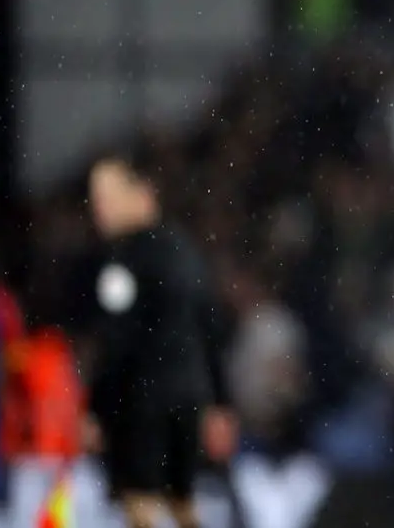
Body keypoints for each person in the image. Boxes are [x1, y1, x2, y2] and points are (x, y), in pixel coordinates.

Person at [83, 152, 238, 528]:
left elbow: (117, 340)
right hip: (190, 399)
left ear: (141, 193)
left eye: (108, 197)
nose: (99, 209)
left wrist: (95, 407)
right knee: (183, 504)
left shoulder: (123, 261)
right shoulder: (186, 251)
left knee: (140, 507)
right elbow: (210, 327)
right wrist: (221, 401)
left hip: (142, 402)